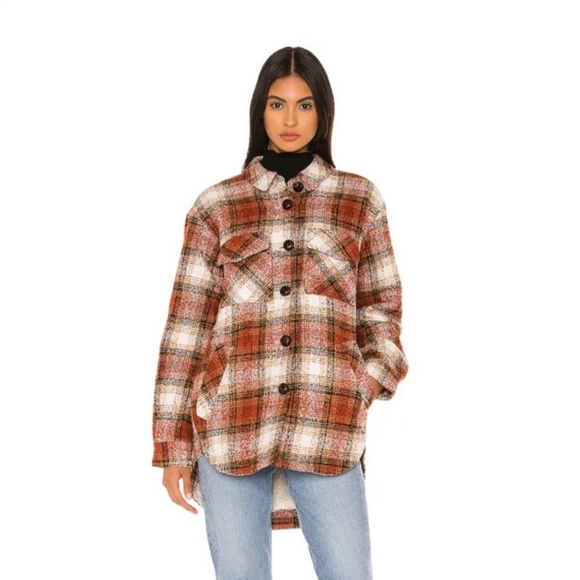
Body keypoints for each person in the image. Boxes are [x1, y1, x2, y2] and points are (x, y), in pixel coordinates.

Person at [152, 46, 409, 580]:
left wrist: (359, 385)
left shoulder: (359, 201)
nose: (290, 119)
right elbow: (186, 331)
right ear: (259, 111)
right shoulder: (217, 206)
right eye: (277, 104)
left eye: (304, 104)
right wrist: (173, 445)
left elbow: (382, 313)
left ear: (323, 112)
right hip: (230, 429)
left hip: (327, 427)